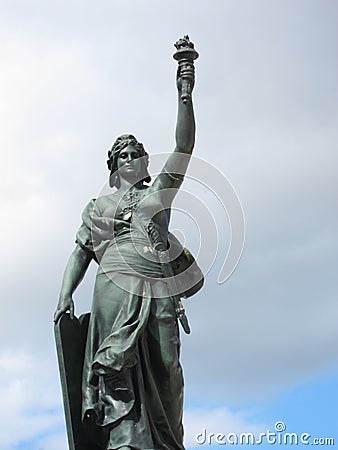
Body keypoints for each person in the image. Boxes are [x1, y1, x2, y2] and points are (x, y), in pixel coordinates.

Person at [54, 61, 197, 450]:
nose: (130, 158)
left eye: (136, 153)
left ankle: (168, 440)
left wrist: (185, 94)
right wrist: (66, 294)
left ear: (147, 163)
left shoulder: (157, 193)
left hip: (156, 283)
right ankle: (124, 441)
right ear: (114, 169)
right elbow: (81, 250)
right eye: (122, 156)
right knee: (119, 368)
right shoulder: (99, 206)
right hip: (113, 285)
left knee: (168, 366)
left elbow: (184, 147)